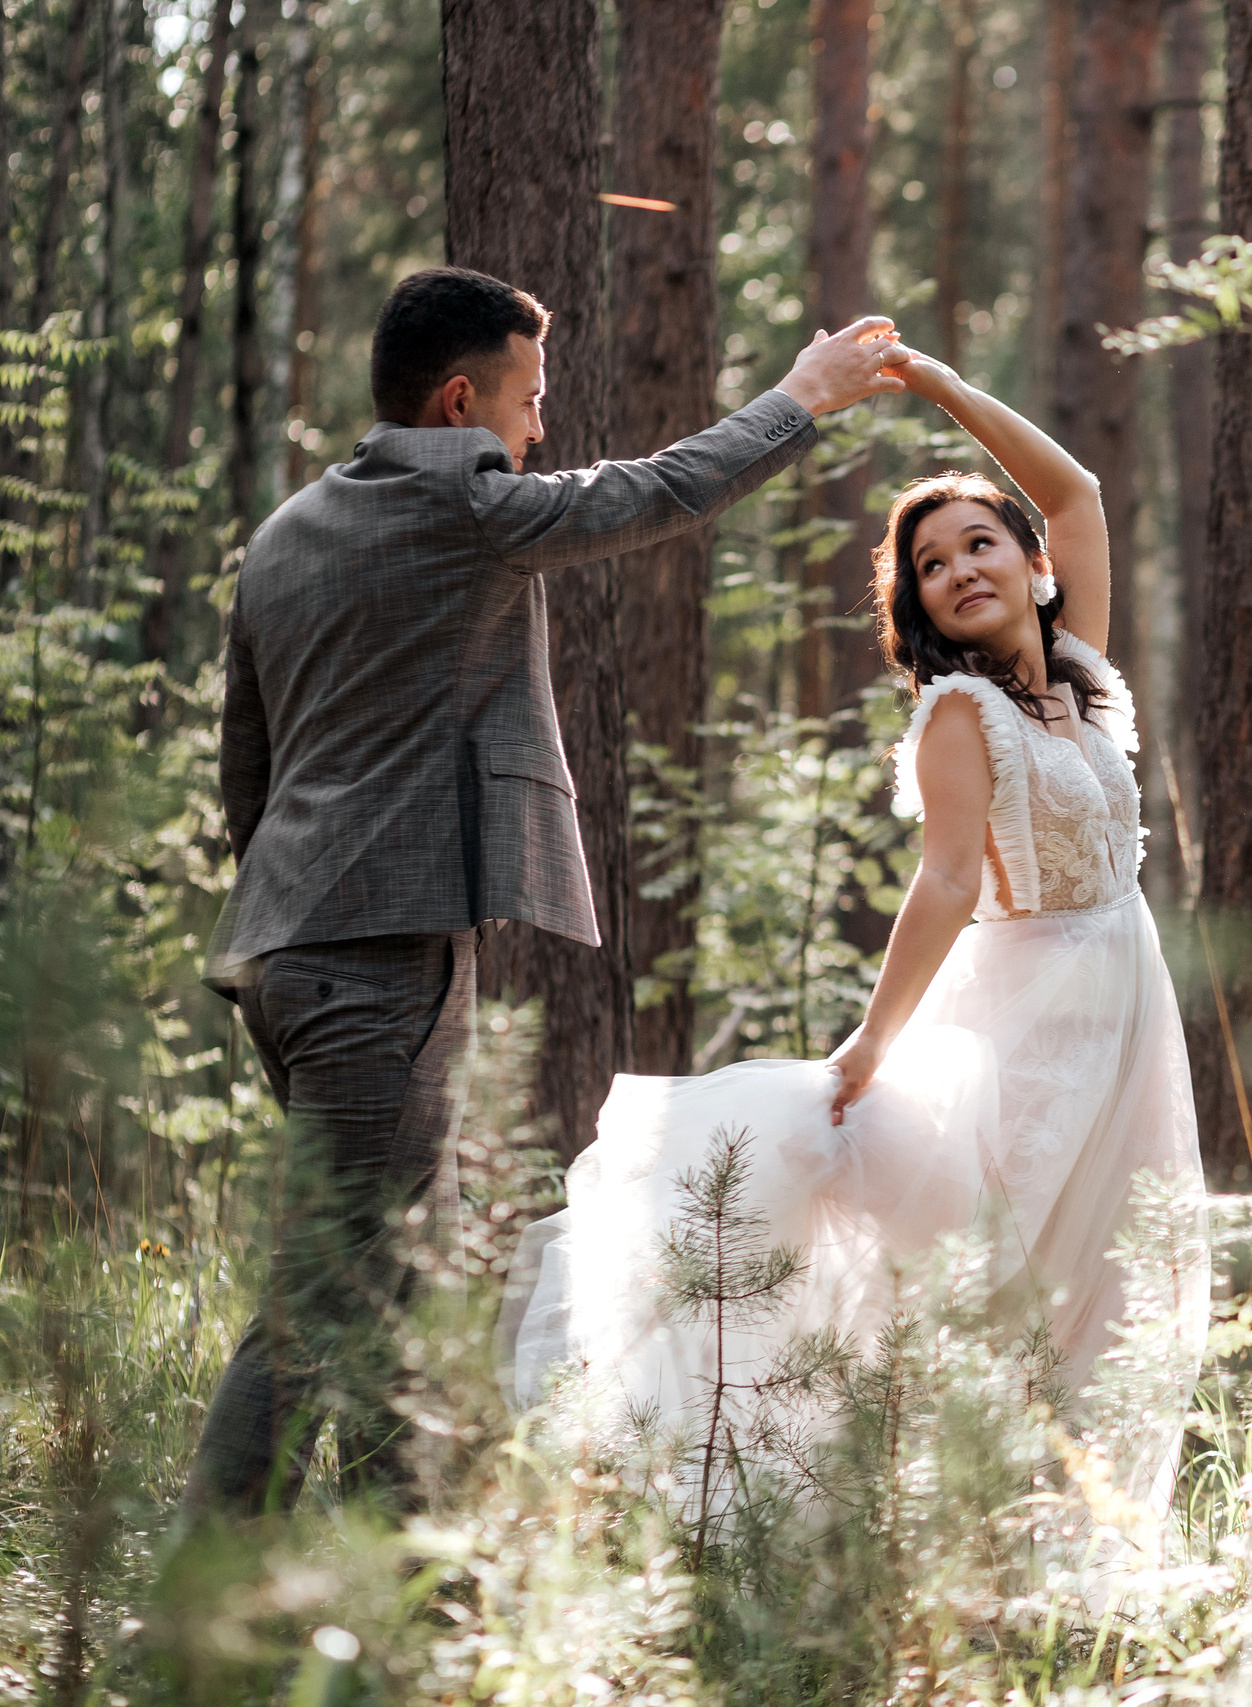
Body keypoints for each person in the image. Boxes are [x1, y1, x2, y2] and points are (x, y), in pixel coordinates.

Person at [189, 265, 908, 1516]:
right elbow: (656, 492)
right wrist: (803, 395)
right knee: (325, 1288)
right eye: (528, 400)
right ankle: (202, 1594)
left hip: (283, 953)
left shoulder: (284, 533)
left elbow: (242, 779)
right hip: (378, 955)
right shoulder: (461, 495)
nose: (539, 432)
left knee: (401, 1280)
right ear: (461, 400)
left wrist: (299, 909)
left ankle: (396, 1578)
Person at [502, 343, 1209, 1524]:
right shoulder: (958, 710)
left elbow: (1077, 492)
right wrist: (871, 1051)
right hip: (1029, 1020)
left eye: (980, 543)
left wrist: (937, 389)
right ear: (921, 608)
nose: (958, 569)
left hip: (1128, 1012)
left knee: (1106, 1275)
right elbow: (941, 883)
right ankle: (898, 1522)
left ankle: (1059, 1537)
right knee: (1000, 1274)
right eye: (930, 566)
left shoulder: (1078, 676)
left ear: (1036, 570)